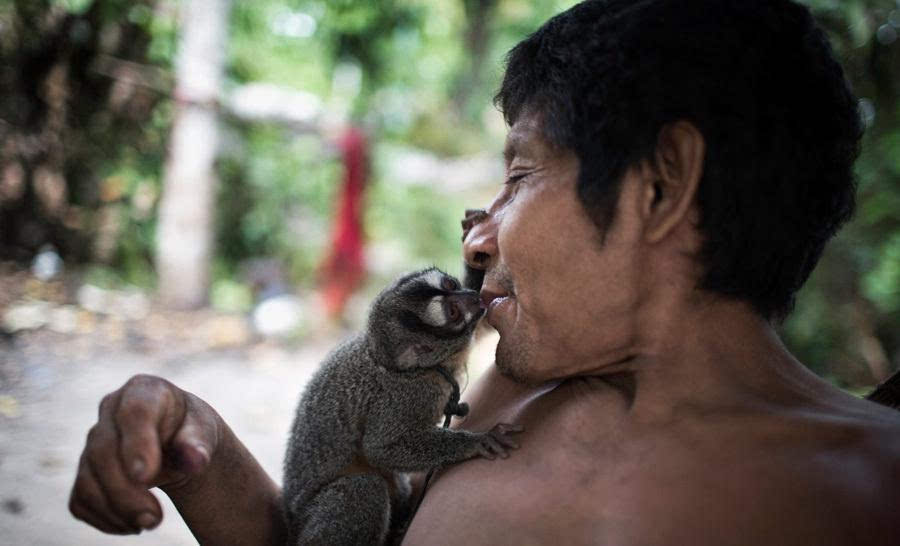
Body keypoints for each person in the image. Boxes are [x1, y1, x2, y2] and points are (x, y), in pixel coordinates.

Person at [69, 0, 900, 544]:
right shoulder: (497, 399)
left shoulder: (866, 496)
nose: (478, 241)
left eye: (518, 175)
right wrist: (197, 446)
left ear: (661, 183)